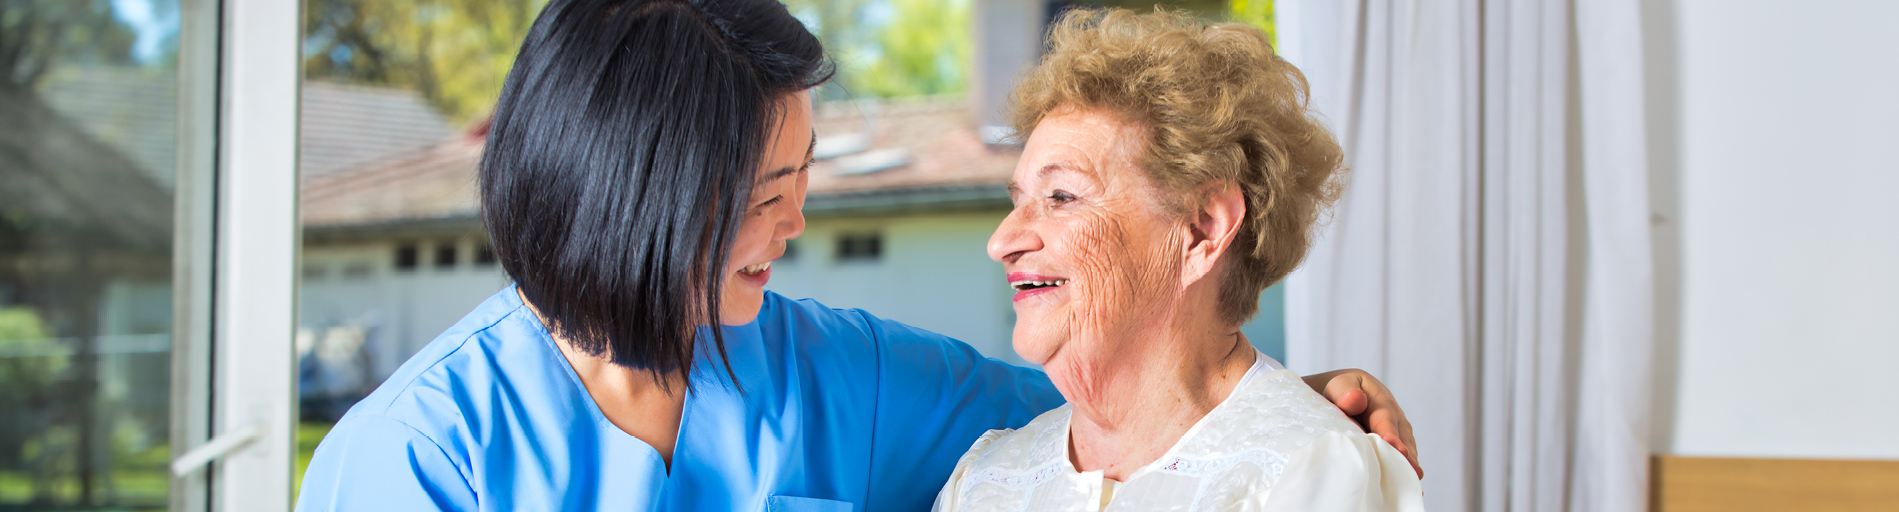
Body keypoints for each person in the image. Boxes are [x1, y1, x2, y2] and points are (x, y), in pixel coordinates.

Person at [293, 1, 1419, 510]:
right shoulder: (416, 459)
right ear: (647, 197)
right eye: (767, 194)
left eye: (803, 183)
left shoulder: (839, 378)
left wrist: (1283, 406)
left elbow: (1106, 416)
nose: (795, 228)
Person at [934, 9, 1422, 511]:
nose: (1001, 241)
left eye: (1061, 196)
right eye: (1017, 202)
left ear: (1202, 228)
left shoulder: (1312, 473)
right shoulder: (984, 480)